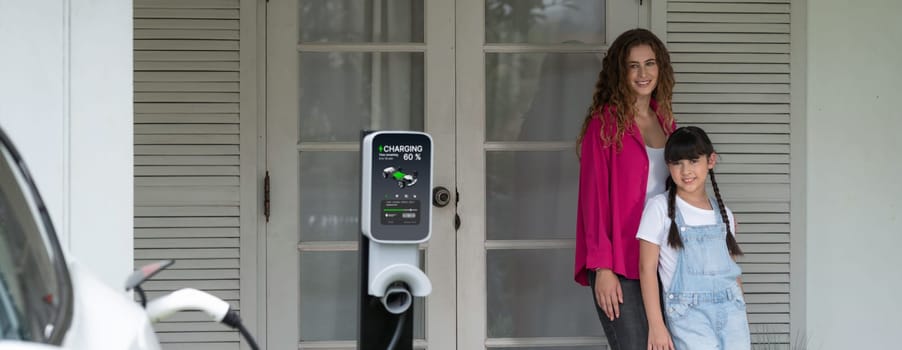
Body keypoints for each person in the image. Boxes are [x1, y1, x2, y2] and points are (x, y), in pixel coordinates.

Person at [574, 28, 675, 350]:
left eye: (650, 63)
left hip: (665, 258)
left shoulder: (667, 122)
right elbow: (592, 203)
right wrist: (602, 268)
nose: (643, 73)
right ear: (620, 71)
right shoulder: (604, 126)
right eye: (633, 66)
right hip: (620, 261)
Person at [636, 126, 751, 350]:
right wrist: (656, 325)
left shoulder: (723, 213)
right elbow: (646, 268)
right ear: (668, 166)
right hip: (689, 316)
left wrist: (741, 305)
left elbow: (730, 268)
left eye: (693, 160)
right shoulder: (659, 209)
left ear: (711, 160)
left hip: (731, 312)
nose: (686, 170)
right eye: (677, 163)